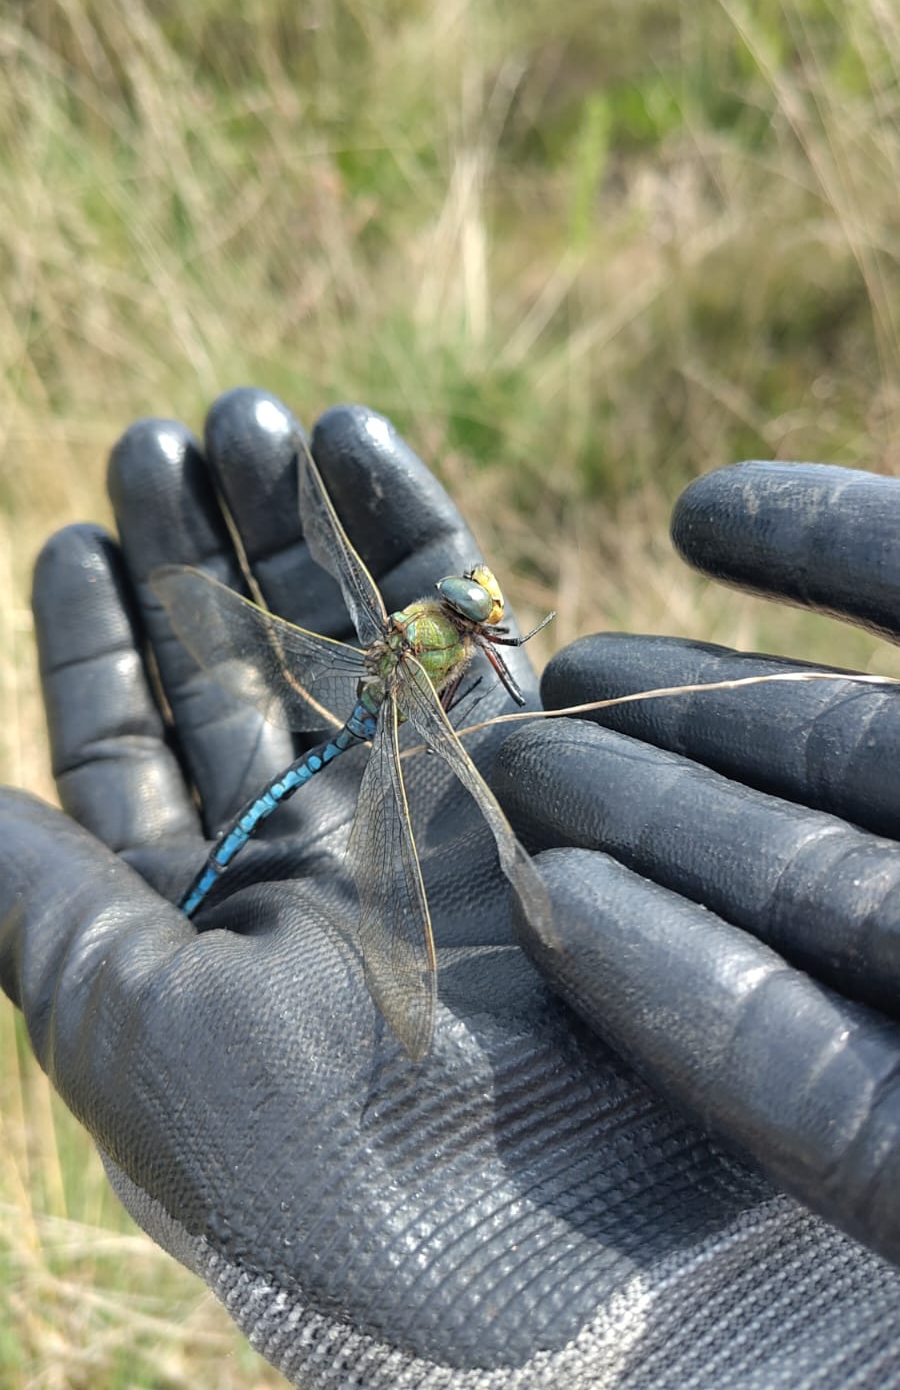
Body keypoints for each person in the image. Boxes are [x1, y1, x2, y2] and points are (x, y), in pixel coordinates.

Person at [1, 386, 898, 1389]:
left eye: (478, 603)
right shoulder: (444, 651)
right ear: (457, 625)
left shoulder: (427, 633)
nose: (483, 602)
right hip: (361, 731)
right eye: (474, 606)